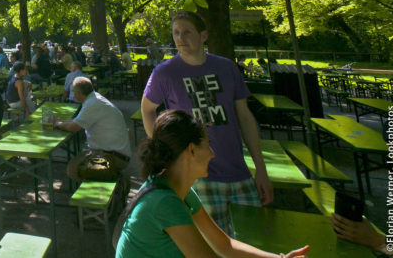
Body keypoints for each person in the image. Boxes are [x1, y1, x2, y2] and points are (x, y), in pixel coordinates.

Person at [141, 11, 272, 234]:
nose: (180, 38)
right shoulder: (164, 73)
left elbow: (245, 116)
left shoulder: (227, 67)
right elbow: (147, 110)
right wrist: (165, 150)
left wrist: (261, 169)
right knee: (212, 247)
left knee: (254, 239)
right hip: (197, 178)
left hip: (238, 172)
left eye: (187, 32)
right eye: (176, 33)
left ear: (203, 36)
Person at [115, 109, 308, 258]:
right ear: (191, 150)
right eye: (207, 145)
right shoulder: (164, 202)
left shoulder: (177, 191)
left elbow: (225, 246)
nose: (212, 153)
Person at [53, 76, 131, 184]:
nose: (73, 95)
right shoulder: (94, 98)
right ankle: (108, 178)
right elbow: (76, 122)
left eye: (74, 92)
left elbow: (73, 128)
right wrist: (60, 122)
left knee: (72, 169)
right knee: (76, 163)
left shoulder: (92, 104)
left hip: (113, 157)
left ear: (78, 93)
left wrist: (57, 124)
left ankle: (113, 179)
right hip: (116, 152)